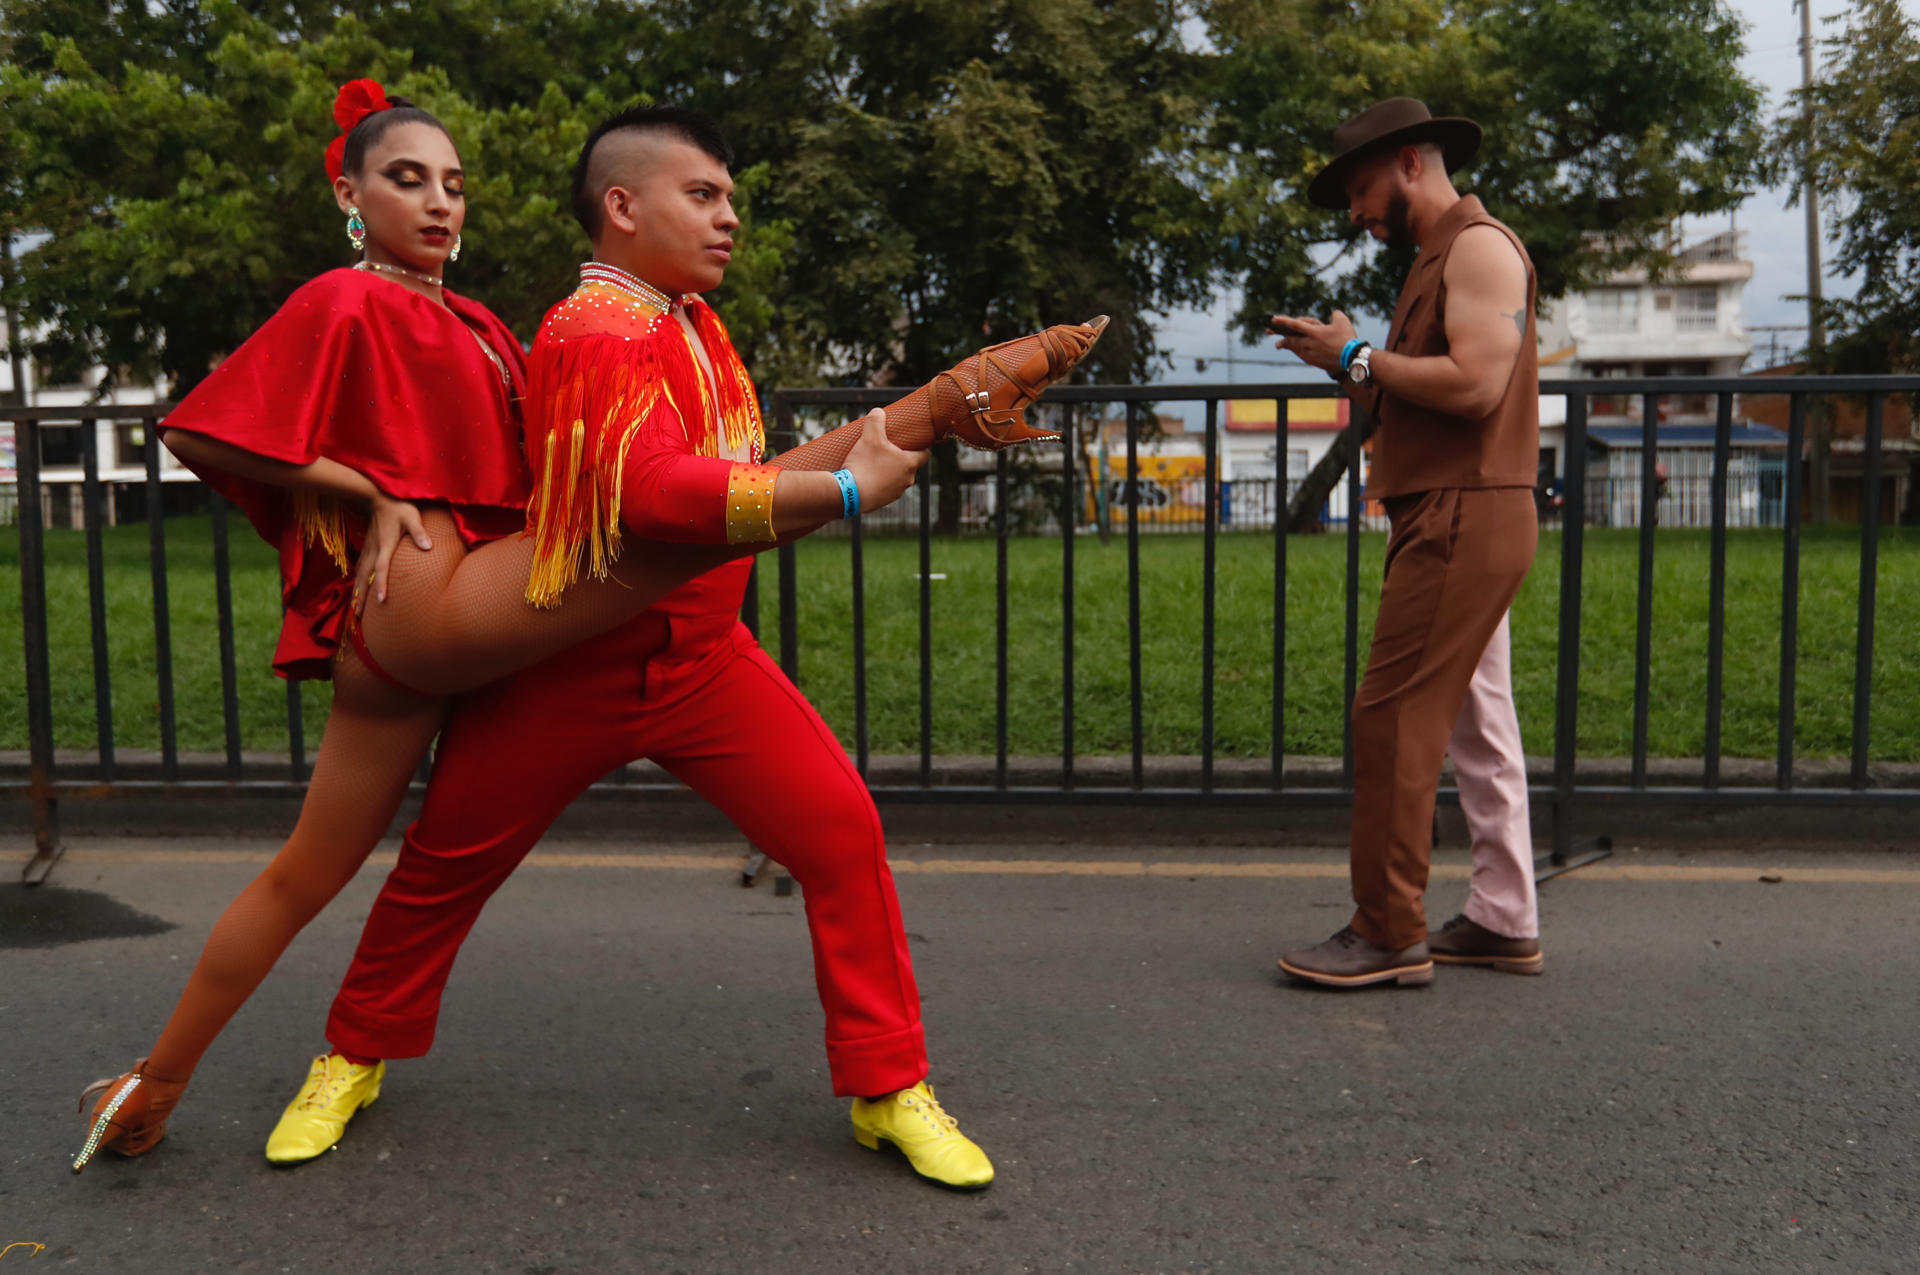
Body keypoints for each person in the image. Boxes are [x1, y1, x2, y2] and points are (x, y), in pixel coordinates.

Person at [74, 87, 1104, 1179]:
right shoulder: (570, 325)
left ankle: (890, 1085)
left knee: (840, 834)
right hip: (552, 659)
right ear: (622, 205)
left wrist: (910, 421)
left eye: (452, 183)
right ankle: (350, 1055)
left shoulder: (621, 325)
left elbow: (701, 482)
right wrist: (855, 485)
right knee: (435, 874)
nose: (728, 217)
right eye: (702, 194)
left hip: (694, 660)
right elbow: (652, 506)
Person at [1267, 98, 1541, 988]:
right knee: (1476, 722)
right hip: (1449, 510)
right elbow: (1417, 394)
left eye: (1359, 187)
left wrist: (1356, 360)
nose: (1353, 210)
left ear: (1411, 164)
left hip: (1464, 516)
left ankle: (1387, 931)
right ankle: (1504, 918)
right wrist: (1345, 361)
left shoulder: (1479, 247)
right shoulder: (1434, 260)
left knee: (1390, 715)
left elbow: (1472, 385)